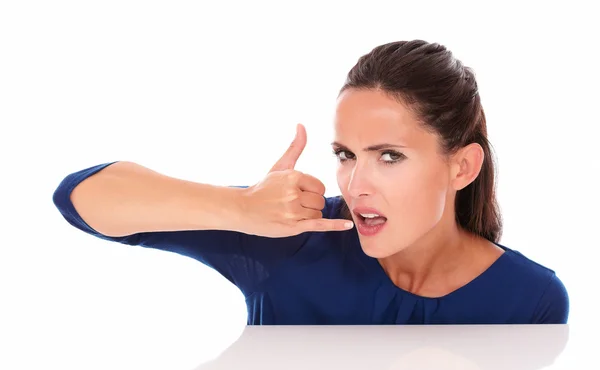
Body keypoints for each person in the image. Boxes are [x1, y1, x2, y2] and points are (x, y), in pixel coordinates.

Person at [53, 39, 569, 325]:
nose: (355, 182)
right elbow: (79, 197)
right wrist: (239, 212)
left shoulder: (530, 300)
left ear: (462, 167)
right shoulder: (293, 239)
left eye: (389, 156)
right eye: (345, 154)